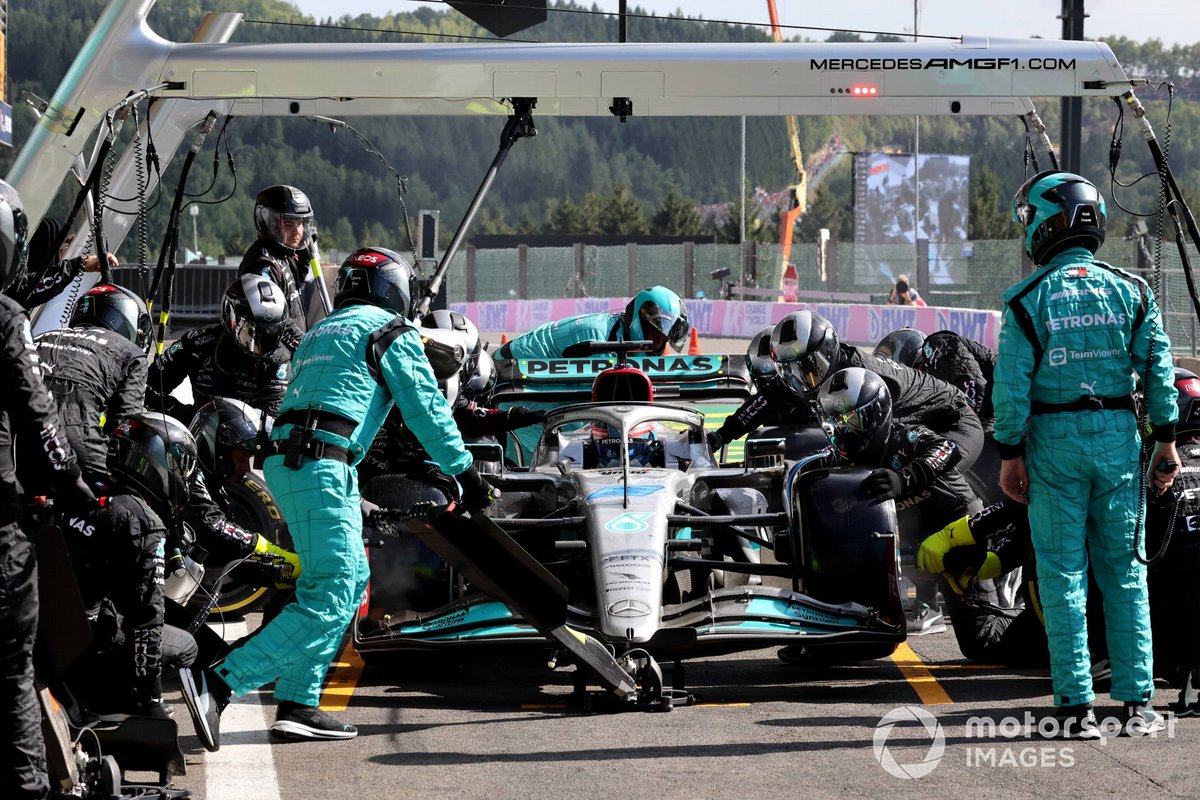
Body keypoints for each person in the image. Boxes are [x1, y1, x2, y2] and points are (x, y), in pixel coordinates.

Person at [179, 246, 495, 747]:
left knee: (344, 583)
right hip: (323, 462)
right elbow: (425, 408)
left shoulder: (322, 331)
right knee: (334, 590)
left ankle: (300, 703)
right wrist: (467, 475)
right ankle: (217, 682)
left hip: (297, 461)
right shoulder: (389, 331)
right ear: (392, 287)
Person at [994, 170, 1178, 737]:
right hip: (1121, 440)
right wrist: (1166, 442)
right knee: (1125, 575)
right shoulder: (1133, 289)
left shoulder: (1027, 299)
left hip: (1052, 444)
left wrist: (1009, 454)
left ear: (1046, 225)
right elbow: (1161, 372)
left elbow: (1010, 389)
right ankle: (1138, 705)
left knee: (1062, 575)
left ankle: (1076, 710)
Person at [777, 366, 980, 661]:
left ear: (876, 412)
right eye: (835, 423)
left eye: (852, 419)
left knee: (980, 642)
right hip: (906, 549)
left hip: (959, 534)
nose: (845, 431)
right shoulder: (832, 460)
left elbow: (948, 448)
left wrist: (906, 478)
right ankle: (827, 631)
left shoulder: (905, 437)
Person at [0, 179, 97, 800]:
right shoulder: (7, 319)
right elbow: (43, 428)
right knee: (12, 668)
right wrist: (79, 490)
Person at [60, 412, 201, 721]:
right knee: (187, 645)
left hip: (41, 634)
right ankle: (114, 704)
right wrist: (151, 700)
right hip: (84, 656)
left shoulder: (75, 487)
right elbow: (147, 621)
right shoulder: (144, 522)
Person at [770, 309, 985, 471]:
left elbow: (875, 441)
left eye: (811, 366)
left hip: (956, 423)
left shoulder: (866, 376)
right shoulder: (836, 381)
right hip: (926, 425)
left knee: (913, 480)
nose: (806, 378)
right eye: (794, 372)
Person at [174, 398, 300, 667]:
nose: (246, 469)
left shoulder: (213, 485)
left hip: (159, 603)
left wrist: (283, 572)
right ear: (218, 448)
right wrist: (281, 557)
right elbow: (213, 529)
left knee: (215, 655)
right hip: (134, 609)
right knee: (198, 655)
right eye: (242, 457)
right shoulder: (184, 474)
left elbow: (228, 557)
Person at [11, 283, 151, 490]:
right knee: (128, 504)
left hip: (16, 444)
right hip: (75, 448)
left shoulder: (41, 336)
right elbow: (124, 426)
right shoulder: (131, 353)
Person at [145, 274, 291, 421]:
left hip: (250, 440)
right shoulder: (196, 343)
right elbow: (148, 386)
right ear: (231, 318)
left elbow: (272, 419)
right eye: (252, 332)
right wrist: (186, 417)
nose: (261, 343)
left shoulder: (279, 361)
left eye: (270, 333)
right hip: (199, 436)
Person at [494, 285, 689, 361]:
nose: (658, 342)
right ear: (639, 320)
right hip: (515, 367)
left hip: (529, 366)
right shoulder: (600, 339)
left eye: (663, 337)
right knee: (567, 437)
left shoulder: (619, 332)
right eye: (655, 332)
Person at [706, 325, 822, 453]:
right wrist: (721, 436)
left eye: (776, 378)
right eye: (764, 381)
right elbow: (758, 406)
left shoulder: (815, 384)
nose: (770, 385)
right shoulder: (772, 395)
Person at [239, 185, 318, 337]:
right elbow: (273, 319)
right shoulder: (263, 264)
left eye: (300, 223)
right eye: (289, 224)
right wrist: (304, 345)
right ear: (270, 223)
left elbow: (293, 289)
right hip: (277, 352)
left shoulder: (284, 254)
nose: (297, 231)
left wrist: (304, 255)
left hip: (291, 350)